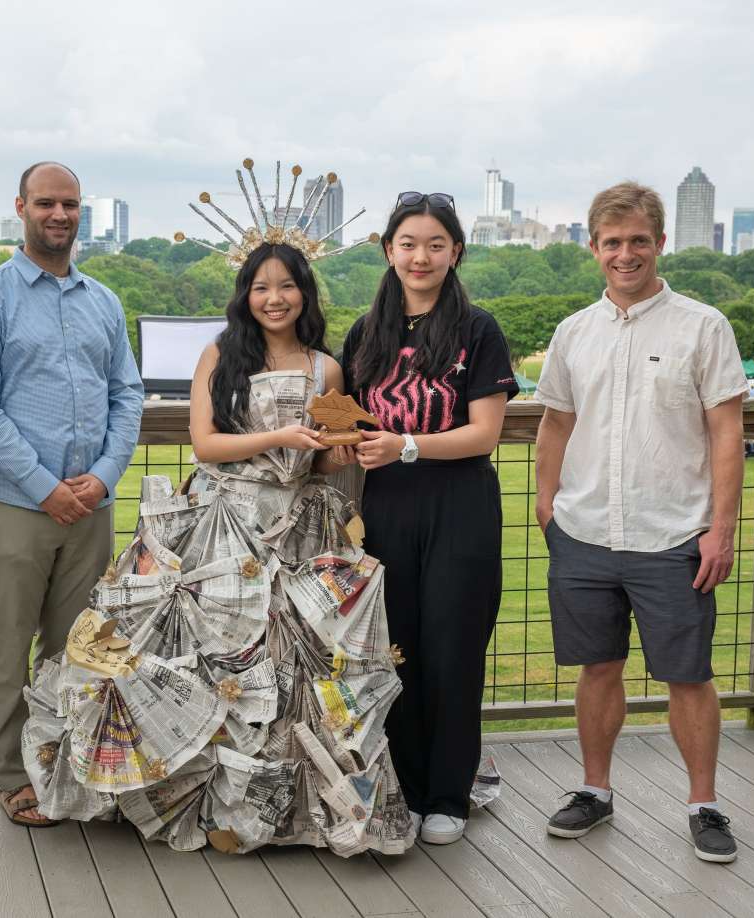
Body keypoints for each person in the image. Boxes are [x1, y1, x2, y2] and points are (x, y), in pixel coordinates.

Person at [11, 164, 415, 857]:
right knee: (201, 660)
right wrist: (282, 436)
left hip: (299, 533)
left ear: (304, 292)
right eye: (262, 286)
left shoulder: (326, 369)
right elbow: (207, 443)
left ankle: (290, 810)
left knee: (293, 669)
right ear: (245, 294)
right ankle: (188, 797)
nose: (275, 297)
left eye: (287, 285)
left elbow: (317, 455)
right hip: (221, 527)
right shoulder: (220, 355)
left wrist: (331, 456)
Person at [534, 181, 746, 864]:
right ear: (594, 248)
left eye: (638, 241)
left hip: (674, 532)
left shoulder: (703, 326)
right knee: (598, 668)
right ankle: (595, 792)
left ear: (660, 243)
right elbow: (555, 424)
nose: (625, 254)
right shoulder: (574, 333)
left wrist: (722, 527)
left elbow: (726, 431)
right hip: (586, 530)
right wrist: (547, 503)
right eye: (612, 242)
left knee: (688, 675)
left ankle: (704, 804)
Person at [0, 161, 144, 827]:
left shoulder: (104, 302)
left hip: (91, 506)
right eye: (46, 204)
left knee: (76, 649)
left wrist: (105, 475)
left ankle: (65, 762)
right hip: (16, 506)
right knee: (11, 647)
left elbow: (128, 394)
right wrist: (43, 487)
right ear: (20, 208)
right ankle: (15, 776)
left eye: (69, 204)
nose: (59, 215)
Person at [342, 192, 518, 845]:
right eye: (408, 244)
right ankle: (408, 791)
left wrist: (405, 445)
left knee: (453, 651)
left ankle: (448, 795)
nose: (421, 256)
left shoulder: (478, 330)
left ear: (455, 252)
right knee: (399, 653)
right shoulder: (367, 332)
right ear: (388, 251)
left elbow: (484, 434)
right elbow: (352, 422)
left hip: (459, 504)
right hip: (386, 507)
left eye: (435, 244)